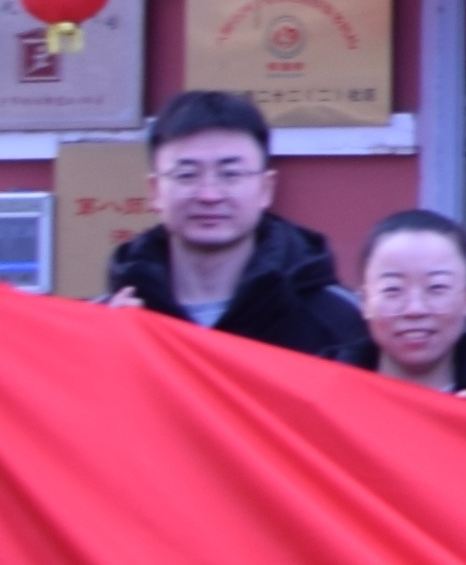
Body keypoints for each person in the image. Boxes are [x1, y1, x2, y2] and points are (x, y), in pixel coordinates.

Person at [97, 89, 376, 367]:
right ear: (155, 190)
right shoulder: (106, 319)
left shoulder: (341, 321)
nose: (209, 195)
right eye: (187, 175)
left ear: (266, 188)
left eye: (230, 174)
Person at [351, 207, 466, 395]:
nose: (415, 309)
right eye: (393, 289)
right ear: (365, 301)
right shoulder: (333, 397)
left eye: (437, 287)